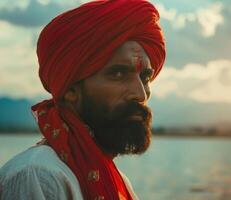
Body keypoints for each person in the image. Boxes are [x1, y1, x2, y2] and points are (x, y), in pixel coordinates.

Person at [0, 0, 166, 199]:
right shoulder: (39, 175)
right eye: (119, 74)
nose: (140, 94)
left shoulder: (117, 181)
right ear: (71, 90)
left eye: (145, 77)